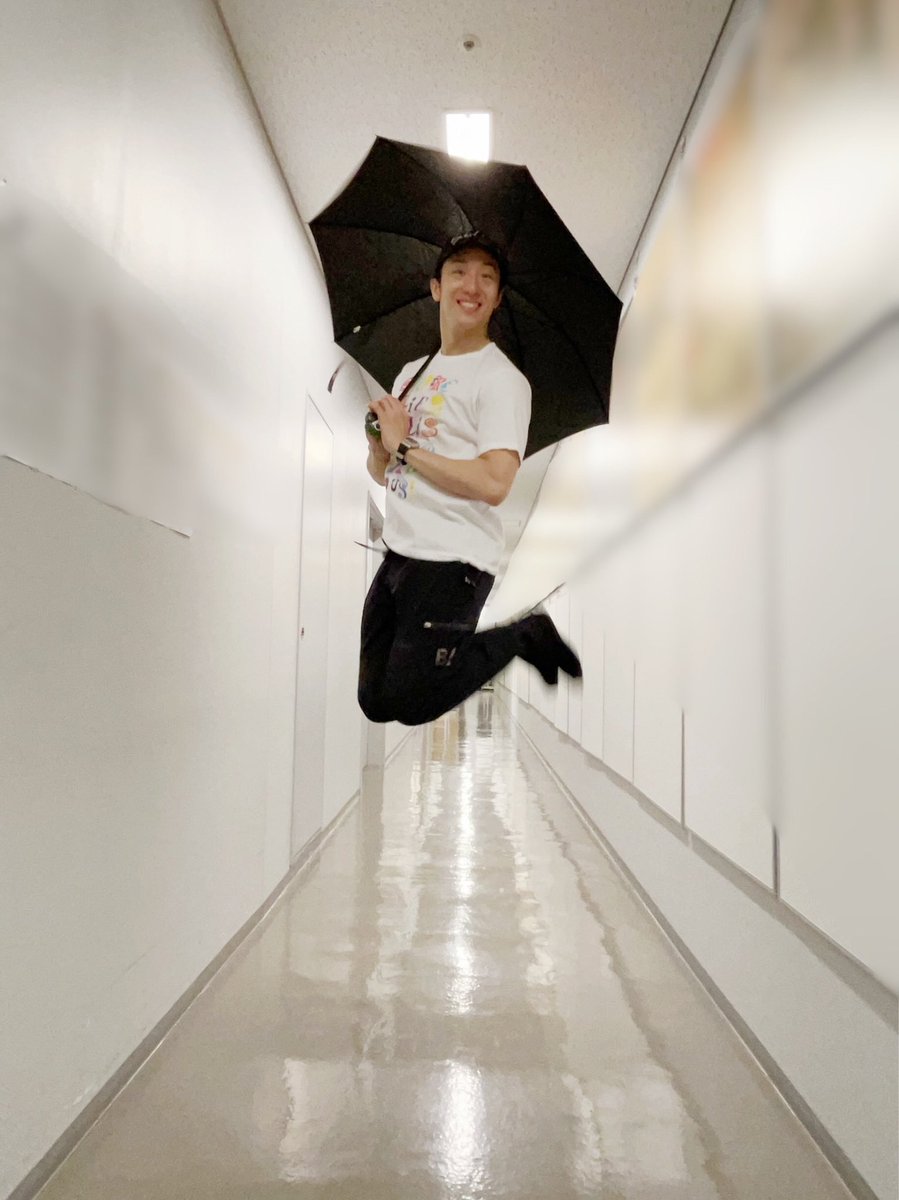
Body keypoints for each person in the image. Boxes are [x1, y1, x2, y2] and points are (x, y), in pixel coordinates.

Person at [358, 231, 581, 727]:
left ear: (497, 298)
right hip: (399, 552)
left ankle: (524, 635)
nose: (472, 285)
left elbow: (495, 483)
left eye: (487, 277)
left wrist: (403, 446)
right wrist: (379, 447)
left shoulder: (501, 380)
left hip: (453, 560)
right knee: (374, 700)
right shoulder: (411, 374)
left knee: (411, 702)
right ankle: (520, 637)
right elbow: (383, 472)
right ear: (436, 287)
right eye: (459, 271)